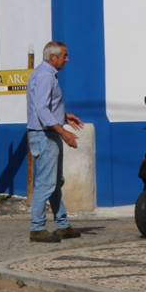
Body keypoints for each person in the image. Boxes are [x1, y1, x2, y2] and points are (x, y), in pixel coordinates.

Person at [26, 40, 84, 243]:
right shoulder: (44, 76)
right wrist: (64, 133)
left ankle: (62, 224)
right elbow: (42, 110)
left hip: (48, 132)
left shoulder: (46, 74)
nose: (67, 59)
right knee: (46, 183)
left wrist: (65, 116)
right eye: (64, 56)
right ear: (53, 57)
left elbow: (45, 106)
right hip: (45, 135)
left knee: (55, 182)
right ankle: (37, 228)